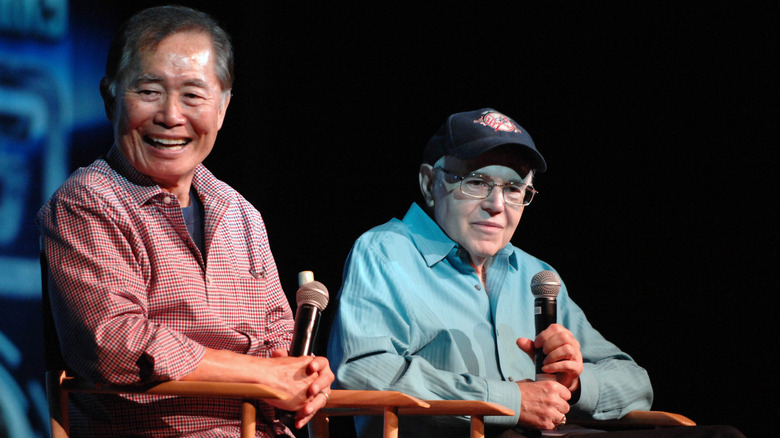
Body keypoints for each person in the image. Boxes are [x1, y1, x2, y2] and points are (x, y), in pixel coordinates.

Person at [327, 108, 744, 438]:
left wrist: (574, 385)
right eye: (476, 182)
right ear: (428, 182)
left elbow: (635, 383)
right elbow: (362, 371)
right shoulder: (386, 251)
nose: (497, 205)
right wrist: (511, 400)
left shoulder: (536, 273)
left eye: (514, 189)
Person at [37, 6, 333, 437]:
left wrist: (306, 378)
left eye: (193, 95)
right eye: (149, 91)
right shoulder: (88, 202)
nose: (171, 116)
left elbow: (280, 352)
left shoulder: (240, 213)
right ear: (110, 97)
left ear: (223, 108)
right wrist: (261, 375)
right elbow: (117, 343)